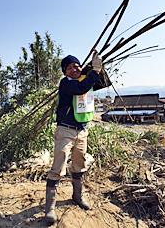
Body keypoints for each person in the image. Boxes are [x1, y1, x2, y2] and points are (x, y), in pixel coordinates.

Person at [45, 51, 102, 223]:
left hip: (82, 131)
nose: (73, 69)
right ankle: (50, 209)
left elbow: (100, 81)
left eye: (76, 66)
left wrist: (97, 67)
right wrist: (95, 70)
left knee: (79, 165)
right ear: (64, 72)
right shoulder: (66, 84)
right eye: (69, 68)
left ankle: (78, 196)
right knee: (58, 168)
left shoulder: (83, 80)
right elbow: (82, 88)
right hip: (65, 131)